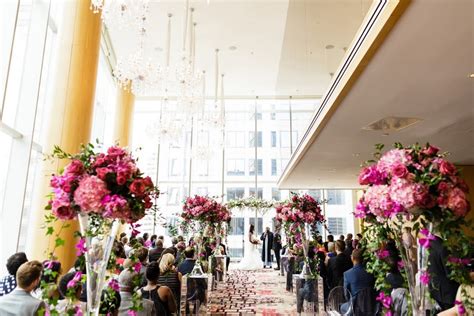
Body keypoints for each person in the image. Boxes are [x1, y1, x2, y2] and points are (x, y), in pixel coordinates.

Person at [428, 236, 459, 311]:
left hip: (436, 291)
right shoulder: (443, 246)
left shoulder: (429, 244)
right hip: (447, 294)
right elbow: (450, 273)